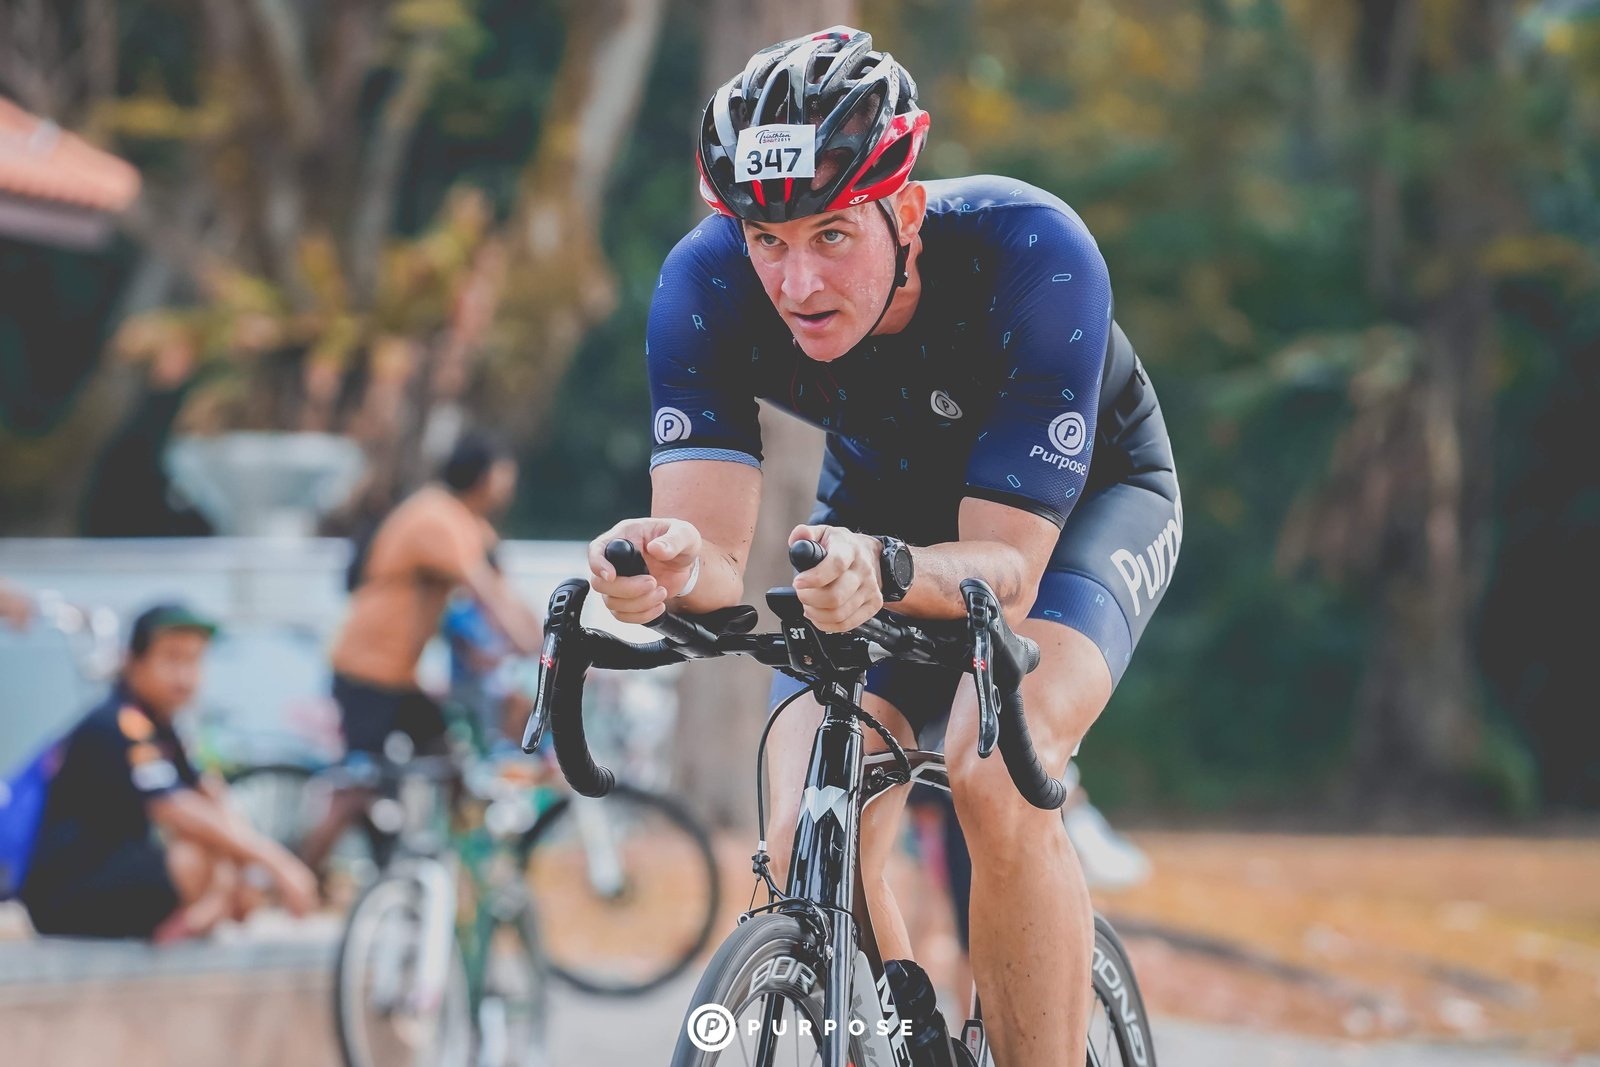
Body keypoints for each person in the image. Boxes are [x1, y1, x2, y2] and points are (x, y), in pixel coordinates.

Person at [587, 27, 1181, 1065]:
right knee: (800, 827)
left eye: (831, 233)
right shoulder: (706, 283)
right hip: (882, 519)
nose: (796, 281)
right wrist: (665, 566)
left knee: (993, 767)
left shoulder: (1033, 252)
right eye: (766, 238)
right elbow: (711, 554)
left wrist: (888, 568)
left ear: (903, 210)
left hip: (1079, 512)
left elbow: (1007, 572)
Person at [300, 432, 542, 871]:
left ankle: (459, 872)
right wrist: (533, 650)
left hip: (399, 677)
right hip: (365, 670)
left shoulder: (468, 524)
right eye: (503, 474)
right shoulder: (435, 517)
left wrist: (550, 641)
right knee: (358, 789)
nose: (508, 485)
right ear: (485, 476)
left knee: (450, 766)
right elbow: (486, 595)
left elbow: (507, 594)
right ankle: (296, 878)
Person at [18, 603, 318, 941]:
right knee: (194, 855)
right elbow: (173, 807)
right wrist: (278, 864)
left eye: (194, 660)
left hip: (110, 874)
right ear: (133, 661)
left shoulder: (164, 728)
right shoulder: (117, 722)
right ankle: (181, 925)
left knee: (217, 847)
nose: (185, 676)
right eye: (172, 659)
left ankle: (190, 922)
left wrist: (242, 870)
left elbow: (210, 796)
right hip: (64, 894)